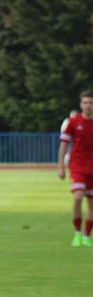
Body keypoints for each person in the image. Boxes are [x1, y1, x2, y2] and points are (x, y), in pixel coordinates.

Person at [59, 91, 93, 247]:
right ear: (81, 105)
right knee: (78, 197)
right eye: (85, 102)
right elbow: (64, 144)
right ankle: (77, 233)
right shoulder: (73, 122)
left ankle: (87, 236)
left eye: (91, 103)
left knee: (91, 204)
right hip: (78, 166)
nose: (88, 105)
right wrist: (61, 166)